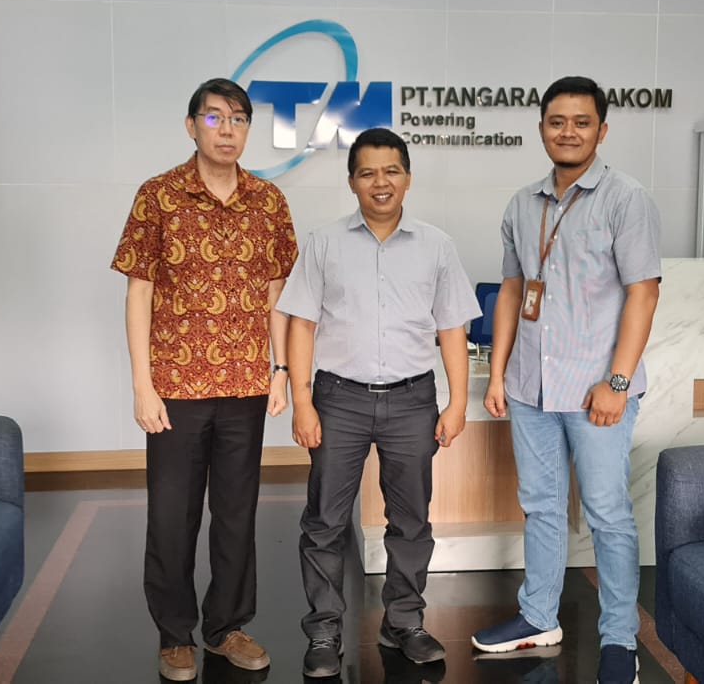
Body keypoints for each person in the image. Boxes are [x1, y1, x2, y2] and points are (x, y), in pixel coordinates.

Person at [470, 76, 662, 684]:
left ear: (601, 130)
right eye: (557, 121)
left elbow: (643, 293)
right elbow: (511, 290)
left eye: (581, 122)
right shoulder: (521, 204)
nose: (568, 132)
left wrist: (618, 383)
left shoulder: (626, 199)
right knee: (541, 506)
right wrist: (498, 373)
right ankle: (538, 616)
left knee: (607, 514)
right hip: (531, 385)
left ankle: (619, 640)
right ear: (542, 129)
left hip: (595, 389)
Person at [109, 78, 299, 681]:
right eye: (214, 117)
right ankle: (174, 634)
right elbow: (139, 293)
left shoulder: (268, 202)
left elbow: (277, 295)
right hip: (176, 388)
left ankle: (226, 627)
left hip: (245, 385)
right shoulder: (158, 196)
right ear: (191, 126)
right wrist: (142, 384)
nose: (227, 129)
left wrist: (281, 369)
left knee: (237, 515)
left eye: (238, 118)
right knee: (172, 517)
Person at [276, 127, 481, 678]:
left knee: (411, 519)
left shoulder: (437, 245)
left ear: (408, 178)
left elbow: (452, 329)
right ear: (352, 182)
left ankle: (404, 623)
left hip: (413, 400)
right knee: (325, 520)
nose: (380, 182)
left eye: (391, 171)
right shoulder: (323, 243)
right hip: (337, 399)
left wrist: (456, 402)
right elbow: (301, 325)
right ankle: (324, 631)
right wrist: (302, 401)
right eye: (367, 173)